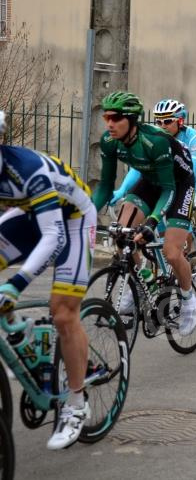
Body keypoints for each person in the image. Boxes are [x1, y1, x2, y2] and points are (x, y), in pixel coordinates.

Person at [0, 111, 97, 450]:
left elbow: (53, 236)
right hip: (30, 214)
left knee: (63, 312)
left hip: (73, 220)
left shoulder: (27, 170)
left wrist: (18, 283)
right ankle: (22, 334)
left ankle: (75, 403)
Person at [92, 92, 196, 336]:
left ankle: (188, 297)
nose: (109, 123)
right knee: (122, 235)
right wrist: (83, 214)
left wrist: (151, 222)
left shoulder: (155, 141)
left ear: (131, 120)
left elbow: (169, 188)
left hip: (179, 185)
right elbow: (106, 186)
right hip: (150, 182)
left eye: (116, 117)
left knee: (172, 252)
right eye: (106, 116)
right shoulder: (110, 141)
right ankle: (144, 283)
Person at [110, 99, 196, 209]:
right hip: (175, 173)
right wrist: (122, 190)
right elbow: (139, 167)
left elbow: (190, 174)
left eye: (167, 121)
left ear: (180, 121)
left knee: (183, 207)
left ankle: (186, 225)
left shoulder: (194, 139)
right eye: (159, 122)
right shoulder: (154, 137)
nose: (162, 126)